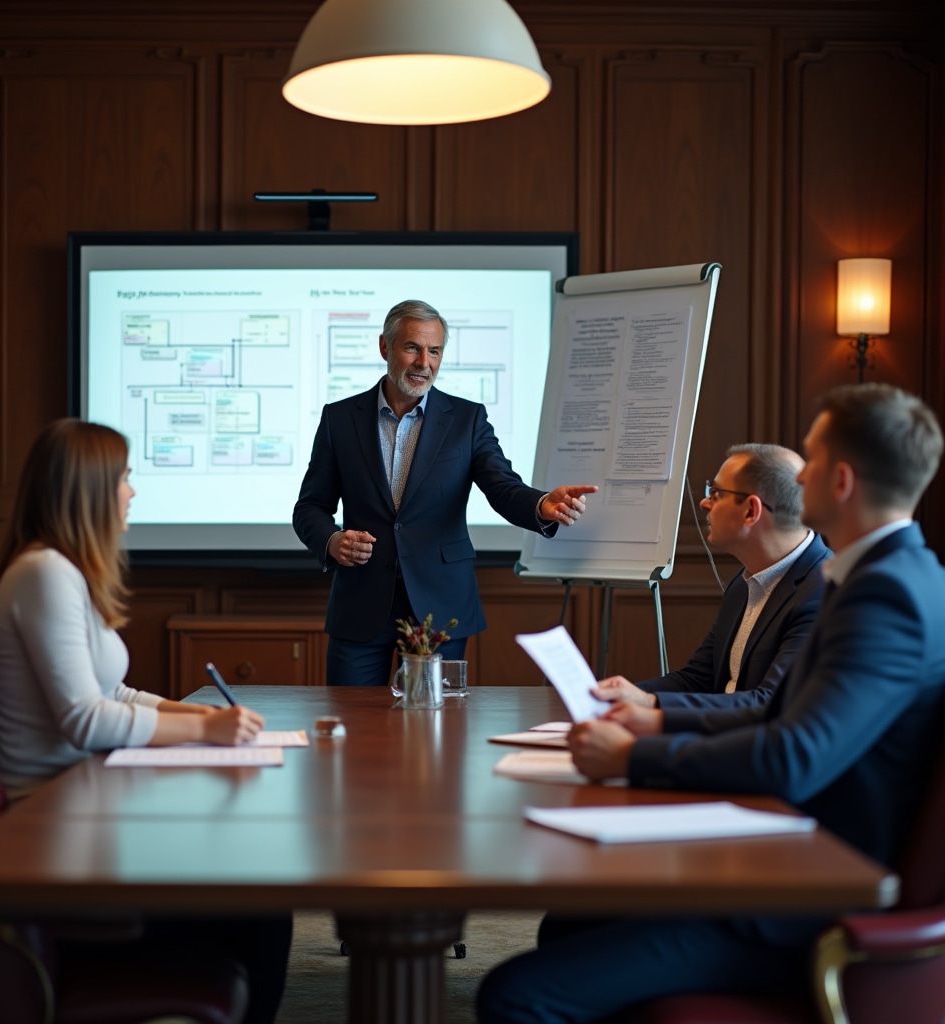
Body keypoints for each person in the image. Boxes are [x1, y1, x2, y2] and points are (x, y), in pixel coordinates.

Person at [477, 383, 945, 1024]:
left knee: (513, 997)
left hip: (808, 899)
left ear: (840, 479)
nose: (798, 477)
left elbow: (794, 756)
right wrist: (651, 719)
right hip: (789, 856)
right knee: (572, 921)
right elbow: (781, 712)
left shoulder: (884, 594)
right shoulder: (890, 576)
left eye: (808, 461)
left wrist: (638, 756)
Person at [0, 417, 291, 1024]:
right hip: (50, 832)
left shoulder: (61, 571)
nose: (132, 490)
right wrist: (206, 732)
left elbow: (113, 690)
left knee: (254, 890)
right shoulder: (46, 573)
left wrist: (196, 713)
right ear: (90, 488)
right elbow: (84, 719)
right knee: (261, 901)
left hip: (81, 806)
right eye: (125, 477)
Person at [293, 298, 598, 687]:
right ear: (385, 347)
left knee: (433, 733)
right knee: (351, 727)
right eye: (412, 348)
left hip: (440, 604)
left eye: (434, 351)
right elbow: (310, 507)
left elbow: (501, 486)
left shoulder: (467, 419)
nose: (424, 362)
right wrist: (333, 540)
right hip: (360, 604)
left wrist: (540, 504)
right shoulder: (339, 419)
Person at [596, 443, 830, 711]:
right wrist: (616, 695)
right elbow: (698, 679)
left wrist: (651, 704)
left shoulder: (822, 591)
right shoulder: (743, 584)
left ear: (751, 511)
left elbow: (769, 703)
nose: (704, 502)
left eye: (717, 493)